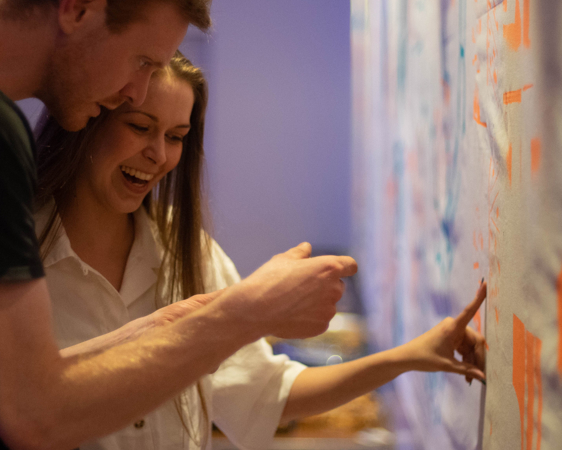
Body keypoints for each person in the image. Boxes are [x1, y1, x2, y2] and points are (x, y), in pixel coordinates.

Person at [33, 53, 487, 449]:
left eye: (176, 136)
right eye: (139, 127)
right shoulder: (22, 252)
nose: (158, 154)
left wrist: (410, 355)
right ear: (88, 116)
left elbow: (266, 392)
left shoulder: (185, 249)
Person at [0, 1, 356, 448]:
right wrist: (249, 311)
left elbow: (32, 390)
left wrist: (163, 327)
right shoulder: (16, 178)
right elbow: (33, 412)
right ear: (77, 10)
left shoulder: (183, 244)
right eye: (143, 61)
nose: (132, 89)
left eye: (177, 137)